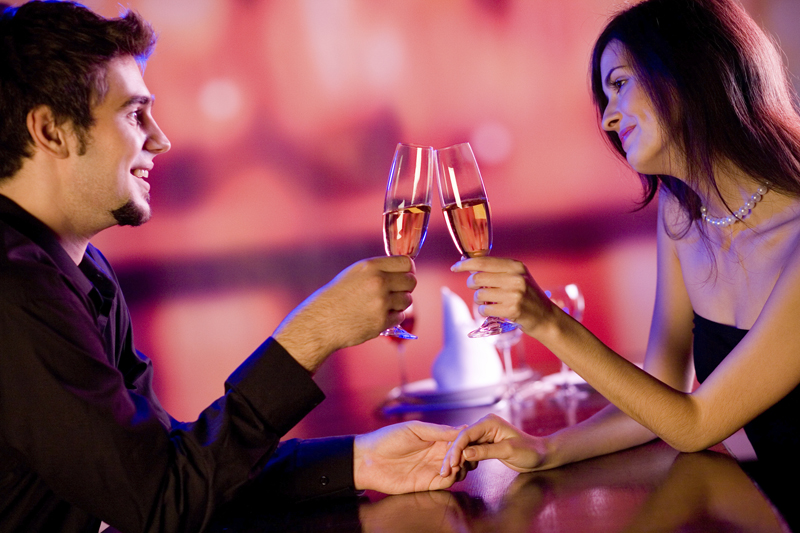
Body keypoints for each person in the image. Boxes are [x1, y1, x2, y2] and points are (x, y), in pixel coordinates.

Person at [0, 2, 472, 532]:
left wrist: (359, 461)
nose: (160, 139)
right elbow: (159, 503)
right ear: (52, 131)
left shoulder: (82, 271)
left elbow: (174, 472)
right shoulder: (15, 290)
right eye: (135, 115)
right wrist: (309, 337)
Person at [439, 0, 800, 518]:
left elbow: (694, 425)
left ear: (689, 70)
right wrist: (544, 449)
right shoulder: (682, 216)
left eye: (620, 83)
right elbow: (661, 396)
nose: (608, 118)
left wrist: (546, 321)